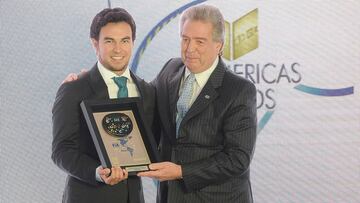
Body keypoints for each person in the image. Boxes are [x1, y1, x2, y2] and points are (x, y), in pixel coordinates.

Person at [137, 4, 257, 203]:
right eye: (185, 39)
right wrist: (93, 79)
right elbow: (143, 97)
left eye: (200, 42)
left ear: (218, 45)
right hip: (170, 197)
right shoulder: (171, 68)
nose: (189, 49)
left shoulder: (239, 90)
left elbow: (238, 159)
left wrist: (181, 171)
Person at [52, 8, 156, 203]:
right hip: (88, 197)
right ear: (95, 44)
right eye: (109, 41)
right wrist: (98, 172)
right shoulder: (74, 89)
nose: (118, 49)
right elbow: (62, 150)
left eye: (125, 40)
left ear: (133, 42)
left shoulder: (148, 92)